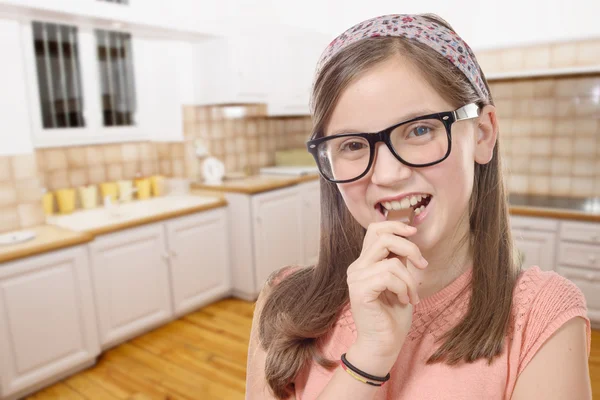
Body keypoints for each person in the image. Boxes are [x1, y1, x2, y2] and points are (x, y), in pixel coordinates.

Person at [245, 13, 593, 400]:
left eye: (420, 130)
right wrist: (369, 358)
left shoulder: (543, 320)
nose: (389, 174)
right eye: (353, 145)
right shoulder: (283, 302)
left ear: (482, 133)